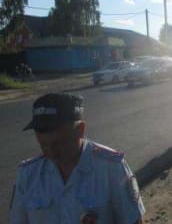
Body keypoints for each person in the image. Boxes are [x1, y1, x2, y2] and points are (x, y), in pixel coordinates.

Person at [9, 93, 145, 224]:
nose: (51, 152)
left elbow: (133, 220)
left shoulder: (111, 167)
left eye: (58, 144)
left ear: (80, 130)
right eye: (43, 145)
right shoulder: (28, 175)